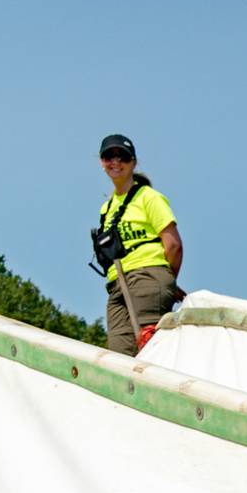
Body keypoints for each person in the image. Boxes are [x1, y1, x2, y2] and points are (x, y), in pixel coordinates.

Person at [93, 133, 183, 356]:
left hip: (146, 278)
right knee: (118, 358)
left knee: (149, 351)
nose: (116, 163)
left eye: (122, 157)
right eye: (109, 157)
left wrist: (165, 278)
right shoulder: (107, 209)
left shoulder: (149, 197)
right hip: (116, 286)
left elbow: (173, 245)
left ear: (133, 162)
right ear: (101, 162)